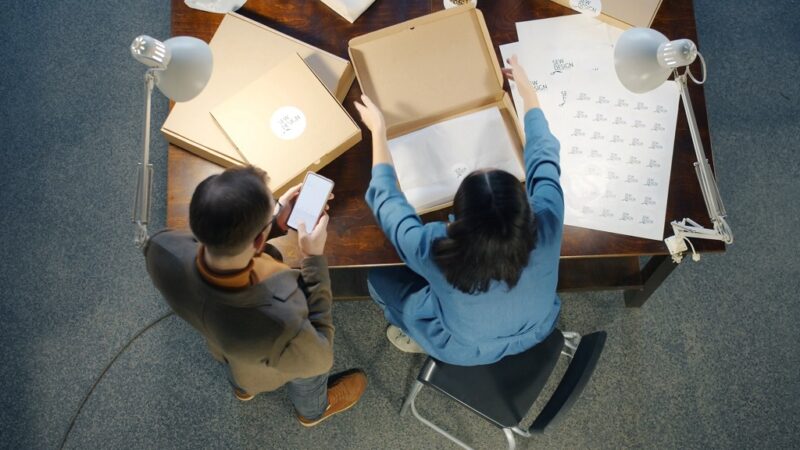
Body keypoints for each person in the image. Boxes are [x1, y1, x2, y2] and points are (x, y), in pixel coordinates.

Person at [353, 55, 563, 366]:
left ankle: (415, 334)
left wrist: (379, 132)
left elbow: (386, 200)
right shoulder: (548, 220)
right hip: (536, 328)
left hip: (463, 348)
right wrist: (528, 93)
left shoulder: (435, 249)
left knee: (379, 277)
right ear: (526, 209)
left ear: (455, 222)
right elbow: (544, 156)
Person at [143, 165, 366, 427]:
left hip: (222, 341)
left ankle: (243, 389)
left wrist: (272, 216)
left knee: (240, 370)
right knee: (308, 378)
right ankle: (312, 411)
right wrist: (313, 259)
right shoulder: (278, 313)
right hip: (270, 352)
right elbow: (320, 356)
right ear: (260, 241)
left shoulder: (161, 247)